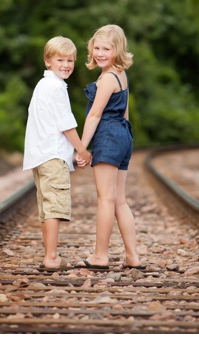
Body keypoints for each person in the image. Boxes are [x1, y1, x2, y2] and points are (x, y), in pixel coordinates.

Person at [74, 24, 145, 271]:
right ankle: (132, 256)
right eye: (97, 47)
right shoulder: (121, 74)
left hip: (108, 135)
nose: (100, 53)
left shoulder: (106, 79)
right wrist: (122, 137)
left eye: (107, 48)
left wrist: (81, 149)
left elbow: (94, 115)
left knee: (105, 198)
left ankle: (100, 256)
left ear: (118, 50)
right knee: (119, 201)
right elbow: (125, 111)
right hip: (123, 134)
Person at [23, 36, 93, 271]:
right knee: (54, 207)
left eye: (70, 60)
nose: (66, 65)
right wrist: (82, 150)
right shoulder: (56, 87)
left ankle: (49, 254)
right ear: (48, 61)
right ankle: (51, 257)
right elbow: (66, 124)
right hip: (52, 155)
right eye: (60, 60)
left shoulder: (42, 85)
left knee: (46, 207)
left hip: (39, 155)